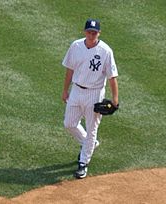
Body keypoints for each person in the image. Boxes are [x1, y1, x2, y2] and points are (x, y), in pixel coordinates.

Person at [61, 19, 119, 179]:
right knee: (69, 123)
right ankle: (89, 144)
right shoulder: (76, 46)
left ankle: (83, 163)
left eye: (94, 32)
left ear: (99, 33)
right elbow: (69, 69)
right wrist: (65, 90)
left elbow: (112, 77)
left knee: (92, 128)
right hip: (76, 90)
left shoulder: (106, 51)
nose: (91, 35)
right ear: (84, 31)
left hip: (94, 93)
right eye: (89, 32)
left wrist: (115, 100)